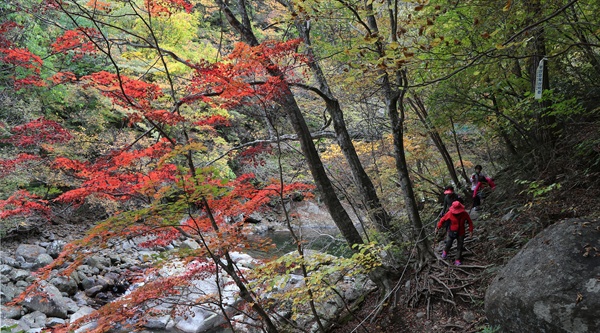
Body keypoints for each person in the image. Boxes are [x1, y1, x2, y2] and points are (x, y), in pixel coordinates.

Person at [436, 201, 473, 266]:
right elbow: (442, 220)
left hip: (461, 232)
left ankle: (457, 260)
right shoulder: (449, 213)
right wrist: (438, 227)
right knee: (448, 243)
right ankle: (444, 253)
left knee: (460, 246)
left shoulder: (464, 214)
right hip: (451, 231)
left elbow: (470, 222)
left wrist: (471, 231)